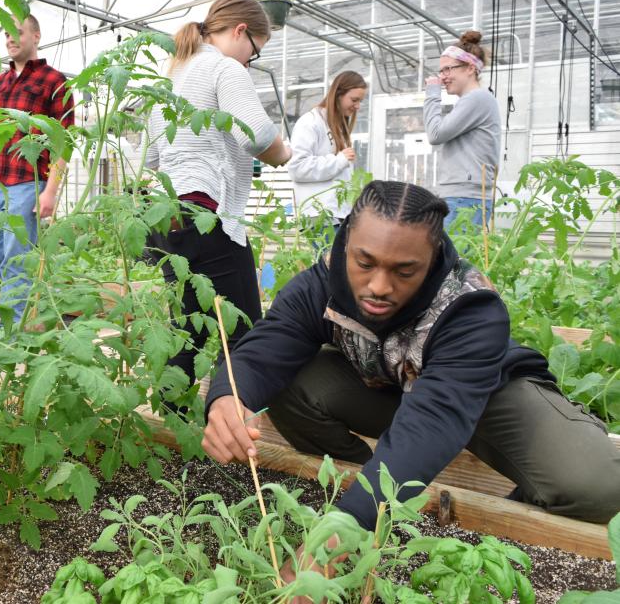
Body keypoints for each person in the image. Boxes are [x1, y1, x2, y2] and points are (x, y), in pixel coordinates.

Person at [202, 180, 620, 575]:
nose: (379, 286)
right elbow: (268, 346)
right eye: (365, 263)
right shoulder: (322, 282)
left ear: (433, 256)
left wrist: (332, 541)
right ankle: (370, 491)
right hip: (387, 392)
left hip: (483, 399)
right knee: (287, 380)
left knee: (596, 486)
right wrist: (227, 398)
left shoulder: (469, 307)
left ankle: (384, 501)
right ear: (348, 241)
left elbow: (434, 419)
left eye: (404, 271)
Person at [143, 0, 293, 408]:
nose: (250, 60)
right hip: (207, 216)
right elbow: (258, 135)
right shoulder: (223, 67)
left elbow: (152, 156)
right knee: (246, 330)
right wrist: (284, 154)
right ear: (241, 31)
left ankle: (170, 414)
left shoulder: (170, 72)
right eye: (255, 51)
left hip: (166, 218)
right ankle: (243, 422)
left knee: (191, 328)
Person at [0, 15, 74, 322]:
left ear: (36, 36)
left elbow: (62, 142)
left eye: (18, 33)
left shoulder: (54, 81)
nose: (10, 39)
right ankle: (24, 306)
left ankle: (12, 331)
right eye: (6, 34)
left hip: (29, 183)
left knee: (16, 259)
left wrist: (51, 192)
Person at [423, 30, 500, 229]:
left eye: (448, 69)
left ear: (470, 68)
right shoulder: (471, 101)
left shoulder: (477, 99)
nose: (443, 77)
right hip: (462, 196)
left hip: (465, 198)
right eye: (441, 71)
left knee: (452, 259)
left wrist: (432, 93)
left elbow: (435, 134)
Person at [286, 71, 367, 232]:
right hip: (319, 215)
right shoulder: (311, 122)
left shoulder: (337, 125)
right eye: (354, 100)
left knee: (334, 258)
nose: (357, 106)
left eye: (360, 101)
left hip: (336, 215)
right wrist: (339, 160)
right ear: (338, 94)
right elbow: (297, 168)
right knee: (328, 258)